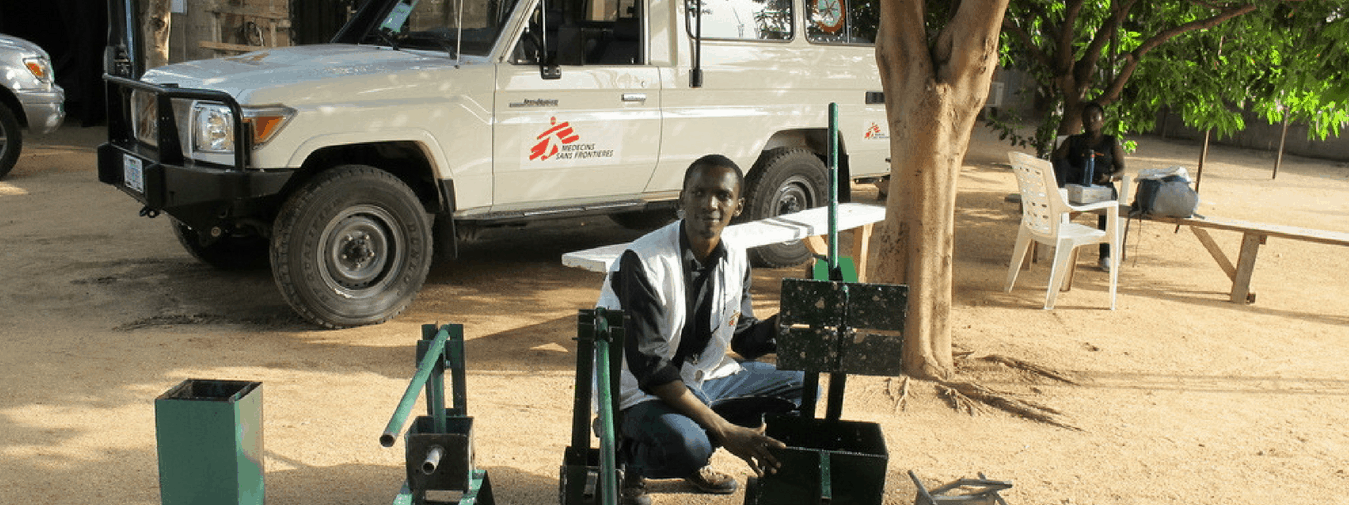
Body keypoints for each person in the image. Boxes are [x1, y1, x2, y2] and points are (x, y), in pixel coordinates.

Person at [595, 154, 805, 505]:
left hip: (700, 379)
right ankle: (629, 456)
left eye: (723, 195)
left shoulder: (736, 256)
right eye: (699, 193)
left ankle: (700, 443)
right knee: (689, 446)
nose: (710, 204)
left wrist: (778, 325)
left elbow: (743, 337)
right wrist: (726, 430)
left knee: (801, 386)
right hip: (642, 393)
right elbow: (651, 370)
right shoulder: (643, 261)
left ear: (738, 206)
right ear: (682, 199)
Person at [1051, 101, 1126, 271]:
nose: (1090, 121)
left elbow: (1121, 169)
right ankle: (1060, 209)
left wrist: (1109, 177)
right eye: (1086, 118)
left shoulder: (1111, 142)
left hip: (1102, 186)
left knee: (1108, 206)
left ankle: (1105, 255)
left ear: (1102, 121)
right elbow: (1057, 161)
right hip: (1077, 186)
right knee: (1062, 164)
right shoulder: (1073, 140)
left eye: (1094, 117)